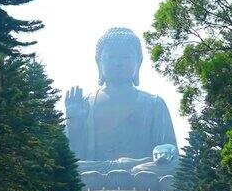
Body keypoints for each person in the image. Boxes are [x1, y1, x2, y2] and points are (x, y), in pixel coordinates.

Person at [65, 27, 177, 161]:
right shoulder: (86, 105)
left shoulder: (154, 103)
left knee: (172, 170)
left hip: (142, 169)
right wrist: (74, 124)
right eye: (111, 57)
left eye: (126, 57)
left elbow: (170, 149)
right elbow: (72, 158)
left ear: (139, 61)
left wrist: (166, 150)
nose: (118, 63)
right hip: (97, 170)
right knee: (76, 171)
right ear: (98, 62)